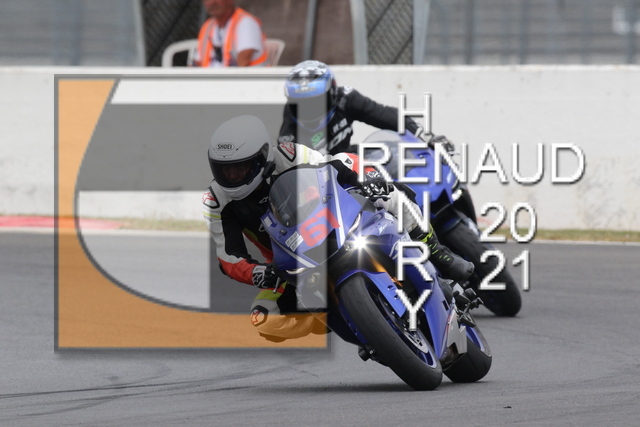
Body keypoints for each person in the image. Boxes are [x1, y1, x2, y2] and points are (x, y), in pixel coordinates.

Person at [203, 115, 473, 342]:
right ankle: (332, 317)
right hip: (290, 262)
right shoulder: (217, 201)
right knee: (264, 318)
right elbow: (229, 256)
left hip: (334, 224)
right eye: (225, 170)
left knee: (391, 194)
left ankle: (438, 253)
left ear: (262, 157)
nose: (232, 177)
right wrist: (260, 273)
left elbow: (338, 164)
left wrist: (367, 178)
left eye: (240, 169)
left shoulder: (289, 155)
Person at [279, 60, 469, 283]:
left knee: (394, 187)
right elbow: (292, 175)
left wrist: (427, 137)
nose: (310, 110)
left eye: (316, 101)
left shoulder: (346, 98)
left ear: (332, 92)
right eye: (302, 104)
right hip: (325, 182)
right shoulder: (288, 134)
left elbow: (386, 115)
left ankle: (435, 250)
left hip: (351, 161)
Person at [192, 0, 267, 67]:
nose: (212, 2)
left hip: (245, 78)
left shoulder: (246, 23)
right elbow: (197, 63)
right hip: (211, 77)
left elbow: (242, 66)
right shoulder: (207, 26)